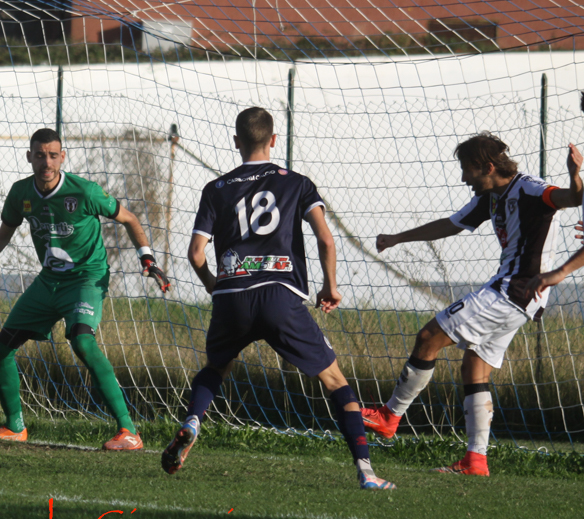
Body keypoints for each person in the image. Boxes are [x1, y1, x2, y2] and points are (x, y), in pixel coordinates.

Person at [162, 107, 394, 489]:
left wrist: (213, 285)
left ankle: (192, 421)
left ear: (236, 141)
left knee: (216, 368)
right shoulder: (297, 183)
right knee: (335, 380)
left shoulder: (215, 189)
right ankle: (366, 471)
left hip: (232, 296)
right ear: (273, 140)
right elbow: (325, 240)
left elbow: (196, 254)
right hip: (279, 297)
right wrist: (330, 286)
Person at [361, 135, 582, 476]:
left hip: (515, 290)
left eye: (467, 170)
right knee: (474, 366)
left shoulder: (530, 189)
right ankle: (475, 460)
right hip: (519, 295)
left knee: (429, 337)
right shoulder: (490, 197)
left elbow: (572, 198)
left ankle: (390, 416)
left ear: (488, 167)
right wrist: (398, 238)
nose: (464, 178)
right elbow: (451, 224)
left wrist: (575, 175)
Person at [0, 128, 170, 450]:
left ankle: (128, 431)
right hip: (48, 281)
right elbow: (3, 236)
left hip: (86, 278)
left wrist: (147, 259)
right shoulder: (21, 193)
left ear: (62, 157)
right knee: (0, 350)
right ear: (30, 157)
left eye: (53, 156)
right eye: (40, 155)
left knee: (82, 341)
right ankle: (14, 427)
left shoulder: (85, 192)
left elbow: (130, 219)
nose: (46, 163)